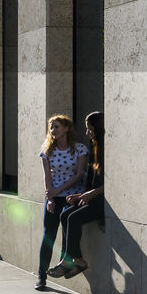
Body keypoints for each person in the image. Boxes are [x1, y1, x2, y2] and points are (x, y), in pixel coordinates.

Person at [48, 112, 105, 281]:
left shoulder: (108, 150)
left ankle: (72, 260)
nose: (87, 133)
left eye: (90, 129)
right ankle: (75, 260)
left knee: (73, 218)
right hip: (93, 196)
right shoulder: (95, 149)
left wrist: (91, 194)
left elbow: (114, 183)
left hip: (105, 201)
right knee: (65, 214)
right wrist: (80, 195)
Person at [35, 114, 90, 290]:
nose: (53, 130)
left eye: (56, 126)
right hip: (53, 197)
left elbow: (79, 174)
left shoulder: (79, 149)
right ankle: (41, 276)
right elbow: (47, 177)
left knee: (68, 226)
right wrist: (50, 198)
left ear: (66, 128)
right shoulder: (47, 151)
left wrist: (58, 191)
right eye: (51, 127)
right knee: (48, 235)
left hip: (73, 196)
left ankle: (65, 263)